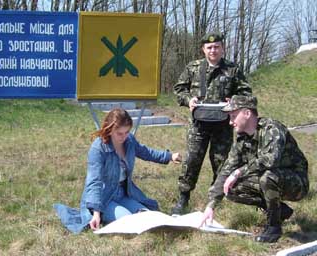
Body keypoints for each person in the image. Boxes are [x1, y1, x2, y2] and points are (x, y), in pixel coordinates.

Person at [199, 95, 309, 243]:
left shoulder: (272, 129)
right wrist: (211, 205)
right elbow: (226, 169)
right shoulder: (242, 138)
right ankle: (279, 210)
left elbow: (270, 161)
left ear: (247, 113)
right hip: (271, 178)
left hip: (296, 182)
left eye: (233, 116)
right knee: (230, 188)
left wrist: (238, 172)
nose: (230, 122)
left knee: (267, 176)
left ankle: (273, 227)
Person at [54, 108, 182, 233]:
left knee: (146, 215)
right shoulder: (98, 148)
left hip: (124, 192)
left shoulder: (129, 141)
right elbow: (94, 181)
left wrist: (169, 156)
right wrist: (96, 212)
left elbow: (145, 152)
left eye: (127, 132)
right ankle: (102, 213)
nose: (124, 137)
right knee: (128, 220)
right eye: (119, 133)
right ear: (110, 130)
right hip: (104, 197)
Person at [171, 32, 252, 214]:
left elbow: (246, 93)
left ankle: (215, 200)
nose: (213, 50)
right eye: (209, 47)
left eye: (216, 47)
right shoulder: (193, 68)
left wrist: (234, 101)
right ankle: (183, 198)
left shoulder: (232, 69)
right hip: (199, 125)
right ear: (203, 49)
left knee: (221, 162)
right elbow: (179, 89)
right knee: (192, 161)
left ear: (222, 48)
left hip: (223, 125)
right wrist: (188, 100)